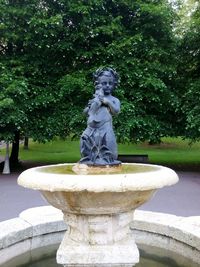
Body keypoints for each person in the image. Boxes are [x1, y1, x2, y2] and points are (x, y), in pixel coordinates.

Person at [80, 67, 121, 166]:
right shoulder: (95, 99)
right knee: (84, 144)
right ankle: (90, 159)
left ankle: (106, 162)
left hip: (106, 129)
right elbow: (84, 113)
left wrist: (107, 102)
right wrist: (90, 106)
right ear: (98, 84)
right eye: (104, 83)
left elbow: (116, 111)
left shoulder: (114, 99)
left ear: (114, 84)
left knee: (112, 154)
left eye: (110, 83)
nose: (107, 86)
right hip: (91, 130)